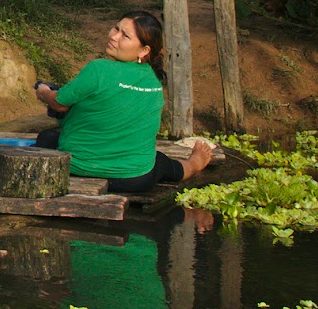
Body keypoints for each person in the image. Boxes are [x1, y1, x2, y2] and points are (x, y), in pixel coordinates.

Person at [32, 11, 214, 192]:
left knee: (47, 138)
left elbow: (59, 103)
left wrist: (44, 91)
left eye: (125, 36)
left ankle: (193, 163)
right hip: (133, 179)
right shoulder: (153, 80)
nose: (114, 36)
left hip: (76, 169)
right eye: (116, 28)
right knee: (160, 162)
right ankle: (192, 164)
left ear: (144, 50)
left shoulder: (98, 69)